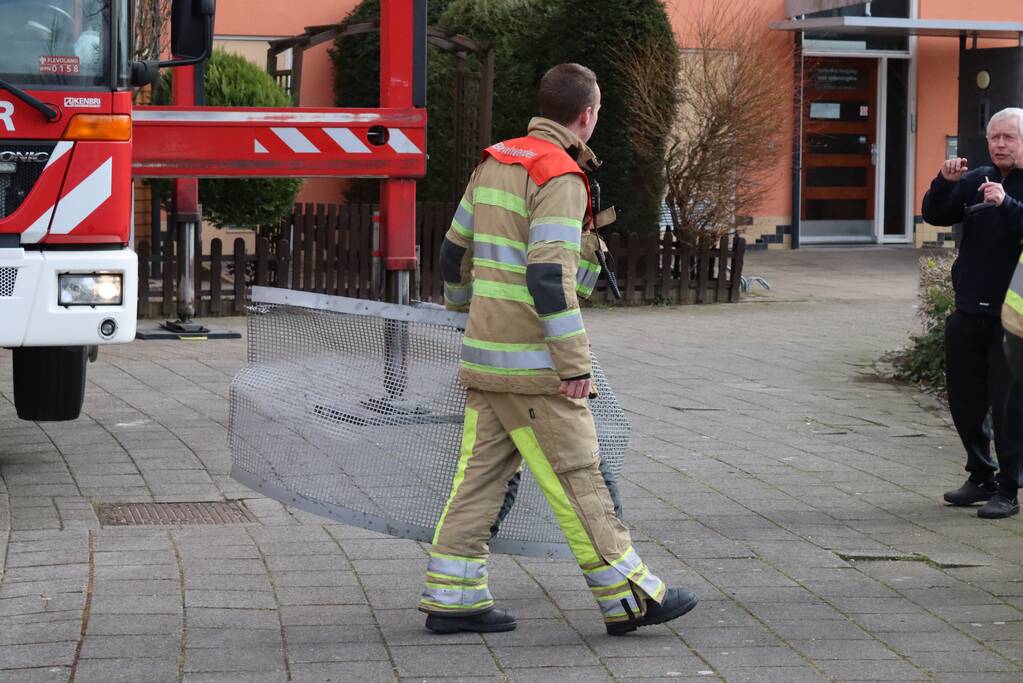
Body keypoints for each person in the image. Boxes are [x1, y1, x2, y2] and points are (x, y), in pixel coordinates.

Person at [419, 63, 697, 635]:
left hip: (485, 360)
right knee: (578, 476)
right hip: (537, 369)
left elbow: (452, 255)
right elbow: (550, 279)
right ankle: (631, 596)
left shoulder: (494, 162)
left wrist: (463, 310)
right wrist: (574, 365)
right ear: (587, 115)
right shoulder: (560, 176)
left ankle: (453, 596)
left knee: (478, 479)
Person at [922, 107, 1023, 519]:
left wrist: (1008, 203)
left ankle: (1008, 488)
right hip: (968, 309)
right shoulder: (977, 177)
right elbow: (936, 214)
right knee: (965, 401)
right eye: (994, 137)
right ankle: (980, 475)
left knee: (1008, 406)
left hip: (1013, 315)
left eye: (1009, 138)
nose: (999, 144)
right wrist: (944, 183)